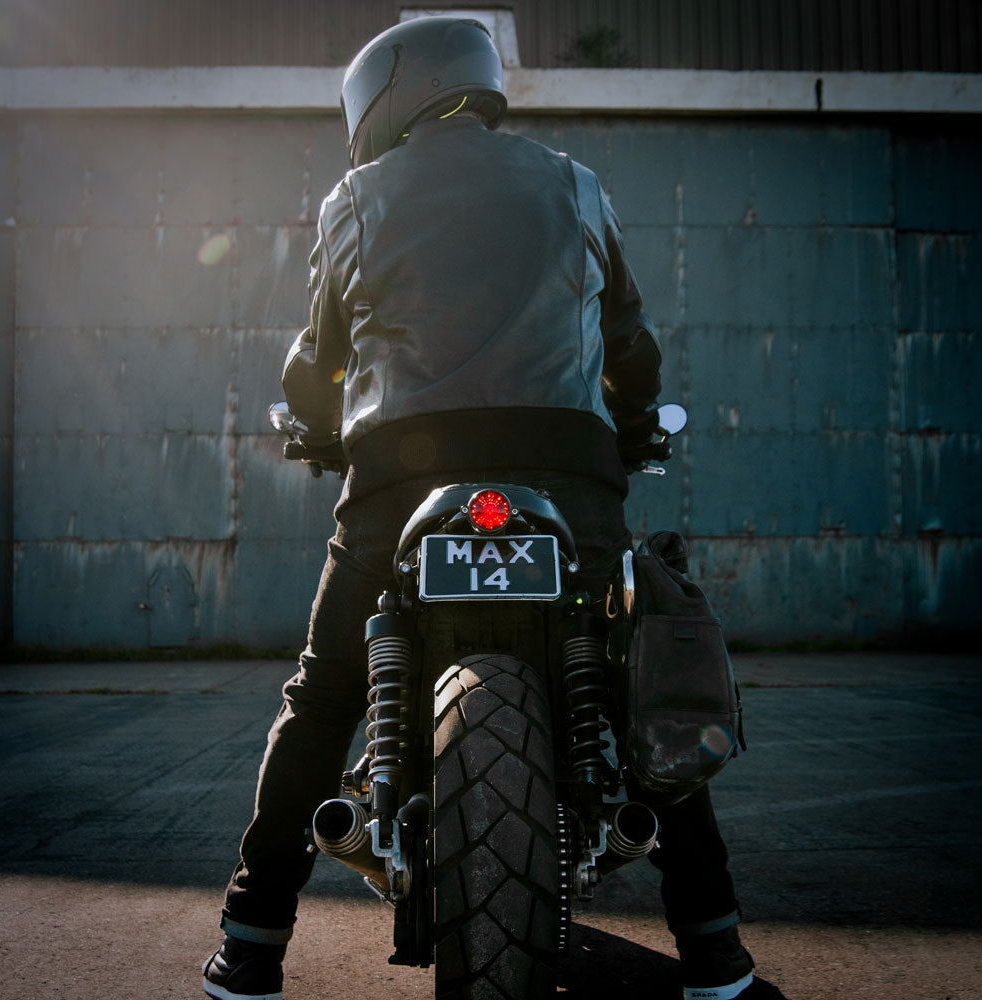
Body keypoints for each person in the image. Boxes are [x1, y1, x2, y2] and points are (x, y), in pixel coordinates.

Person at [203, 16, 758, 1000]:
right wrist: (632, 423)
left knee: (326, 689)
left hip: (398, 477)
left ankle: (252, 944)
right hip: (568, 471)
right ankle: (714, 953)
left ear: (383, 100)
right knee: (636, 678)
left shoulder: (355, 198)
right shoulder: (574, 184)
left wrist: (319, 419)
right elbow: (629, 343)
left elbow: (319, 355)